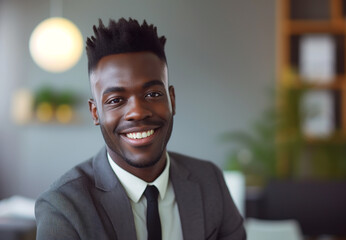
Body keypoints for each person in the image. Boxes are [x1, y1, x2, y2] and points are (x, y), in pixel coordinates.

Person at [35, 18, 246, 240]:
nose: (137, 112)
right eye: (116, 100)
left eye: (153, 94)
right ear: (95, 112)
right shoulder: (63, 207)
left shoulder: (209, 180)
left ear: (171, 99)